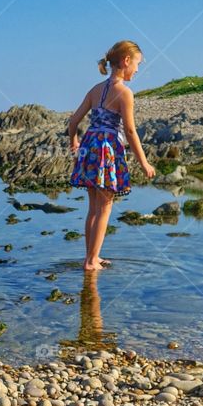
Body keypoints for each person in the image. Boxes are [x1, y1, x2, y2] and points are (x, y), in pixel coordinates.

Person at [67, 40, 155, 272]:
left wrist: (74, 143)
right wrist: (144, 162)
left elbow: (73, 121)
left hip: (90, 145)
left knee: (93, 207)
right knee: (105, 207)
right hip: (107, 149)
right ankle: (91, 261)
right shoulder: (124, 93)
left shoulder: (95, 90)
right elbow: (130, 131)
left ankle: (91, 256)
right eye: (137, 64)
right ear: (126, 61)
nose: (137, 70)